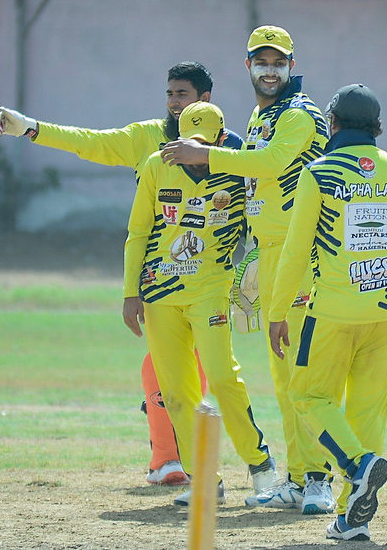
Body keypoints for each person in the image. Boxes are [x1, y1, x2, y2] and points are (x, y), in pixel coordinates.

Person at [0, 61, 228, 487]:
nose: (174, 102)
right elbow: (91, 143)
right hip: (162, 276)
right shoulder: (146, 138)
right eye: (170, 94)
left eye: (183, 94)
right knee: (162, 363)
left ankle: (199, 458)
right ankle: (167, 459)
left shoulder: (228, 147)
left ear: (204, 99)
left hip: (211, 277)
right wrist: (30, 128)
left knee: (203, 365)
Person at [160, 25, 336, 513]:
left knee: (304, 373)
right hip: (271, 253)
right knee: (283, 377)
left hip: (303, 253)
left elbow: (274, 162)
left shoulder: (299, 113)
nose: (270, 70)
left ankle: (319, 479)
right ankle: (297, 479)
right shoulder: (262, 115)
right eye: (262, 62)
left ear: (291, 66)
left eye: (278, 63)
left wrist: (206, 155)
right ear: (248, 66)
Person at [267, 84, 387, 541]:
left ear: (332, 123)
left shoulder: (318, 173)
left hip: (333, 312)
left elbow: (296, 251)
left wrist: (277, 312)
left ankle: (358, 466)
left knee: (307, 396)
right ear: (377, 127)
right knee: (368, 413)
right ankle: (351, 520)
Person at [122, 101, 280, 506]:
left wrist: (259, 269)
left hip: (211, 289)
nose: (191, 154)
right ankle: (205, 479)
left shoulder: (237, 169)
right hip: (160, 293)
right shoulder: (157, 165)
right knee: (177, 393)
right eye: (186, 143)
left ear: (220, 140)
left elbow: (261, 221)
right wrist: (130, 293)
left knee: (223, 378)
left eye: (201, 144)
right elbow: (138, 231)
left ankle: (261, 466)